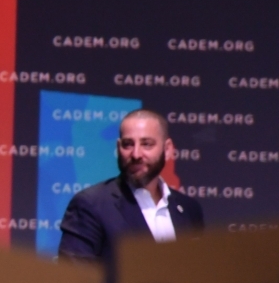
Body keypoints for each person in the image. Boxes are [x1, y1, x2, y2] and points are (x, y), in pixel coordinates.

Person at [58, 109, 204, 264]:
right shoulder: (91, 205)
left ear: (167, 149)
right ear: (118, 147)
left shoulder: (189, 209)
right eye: (128, 144)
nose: (136, 154)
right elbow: (73, 280)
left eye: (146, 144)